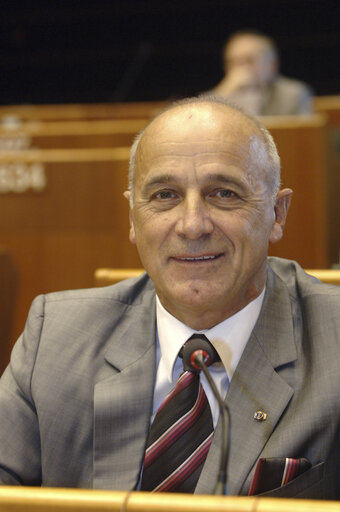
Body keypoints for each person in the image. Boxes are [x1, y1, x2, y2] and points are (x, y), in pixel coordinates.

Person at [0, 97, 339, 499]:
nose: (192, 225)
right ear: (133, 217)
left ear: (277, 214)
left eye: (224, 193)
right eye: (164, 195)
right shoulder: (53, 337)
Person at [208, 30, 313, 116]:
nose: (241, 69)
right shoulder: (221, 95)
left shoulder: (294, 94)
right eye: (233, 62)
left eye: (249, 60)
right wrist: (225, 91)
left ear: (272, 64)